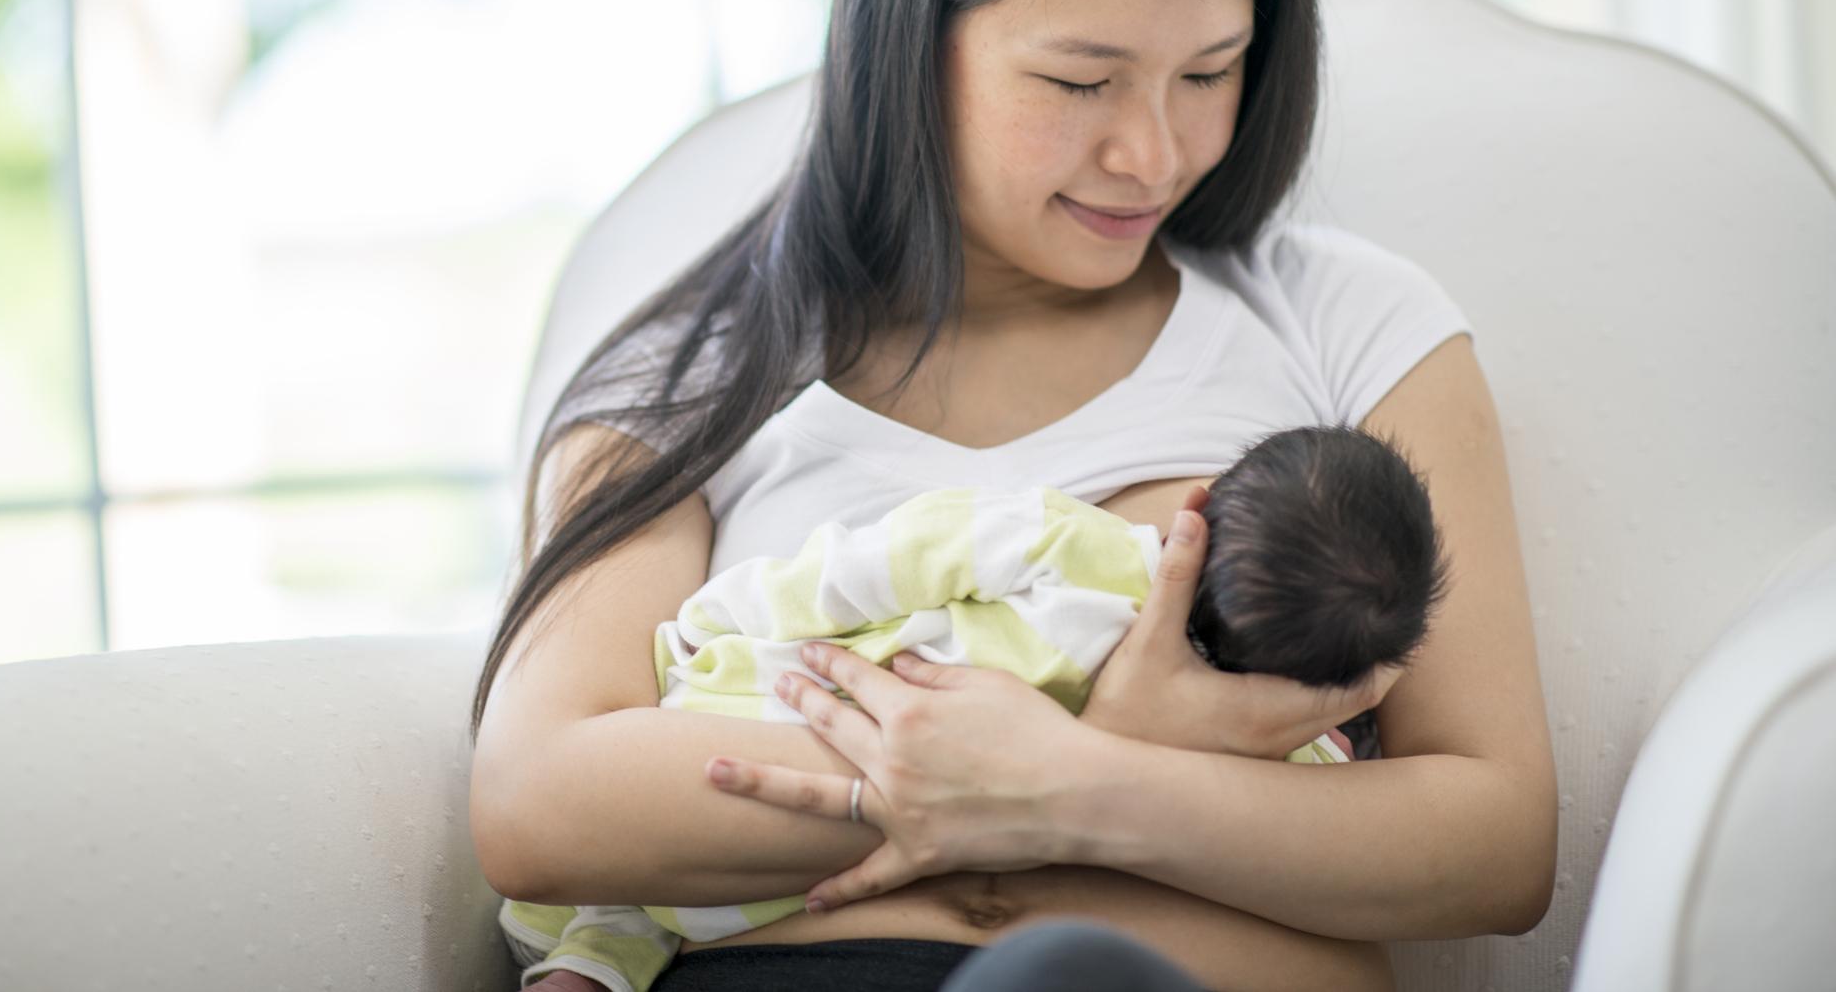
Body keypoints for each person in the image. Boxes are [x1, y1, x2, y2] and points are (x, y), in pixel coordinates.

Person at [467, 0, 1557, 992]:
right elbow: (541, 799)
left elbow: (1496, 841)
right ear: (907, 47)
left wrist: (1079, 787)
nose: (1151, 153)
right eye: (1080, 83)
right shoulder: (693, 375)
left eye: (1211, 71)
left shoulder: (1348, 324)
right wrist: (1083, 741)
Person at [498, 425, 1451, 992]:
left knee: (650, 912)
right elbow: (885, 563)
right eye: (1077, 77)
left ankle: (602, 949)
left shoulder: (1340, 329)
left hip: (787, 872)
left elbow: (1490, 860)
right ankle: (602, 947)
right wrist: (720, 630)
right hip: (780, 814)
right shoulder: (1063, 548)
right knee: (652, 898)